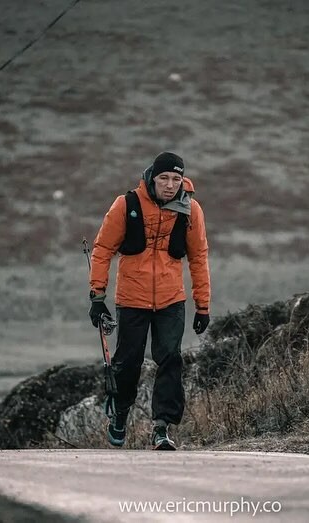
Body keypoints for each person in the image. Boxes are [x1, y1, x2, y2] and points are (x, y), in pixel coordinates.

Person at [88, 151, 211, 450]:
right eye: (164, 178)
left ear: (182, 180)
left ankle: (161, 428)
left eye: (176, 179)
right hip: (132, 298)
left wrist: (203, 305)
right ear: (152, 178)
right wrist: (97, 297)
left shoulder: (191, 210)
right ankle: (120, 414)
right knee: (127, 363)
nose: (170, 185)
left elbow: (198, 257)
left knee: (170, 359)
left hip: (172, 299)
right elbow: (102, 250)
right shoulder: (125, 204)